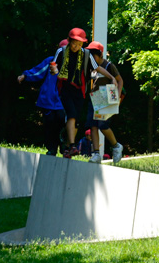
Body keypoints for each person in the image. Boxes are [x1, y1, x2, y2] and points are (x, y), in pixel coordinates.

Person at [49, 27, 117, 159]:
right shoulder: (62, 51)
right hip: (69, 89)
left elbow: (100, 69)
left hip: (86, 92)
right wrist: (53, 70)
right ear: (69, 41)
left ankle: (68, 147)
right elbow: (54, 68)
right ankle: (74, 146)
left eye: (80, 44)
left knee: (80, 121)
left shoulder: (92, 57)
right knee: (74, 117)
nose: (76, 46)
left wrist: (112, 79)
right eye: (74, 43)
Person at [17, 39, 68, 156]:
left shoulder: (73, 64)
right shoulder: (51, 61)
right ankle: (52, 149)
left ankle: (64, 146)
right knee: (49, 124)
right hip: (48, 100)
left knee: (62, 122)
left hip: (63, 101)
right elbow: (37, 71)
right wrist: (25, 75)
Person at [85, 41, 124, 164]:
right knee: (93, 126)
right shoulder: (92, 67)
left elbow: (120, 81)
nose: (92, 58)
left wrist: (117, 97)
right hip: (94, 98)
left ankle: (116, 146)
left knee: (103, 125)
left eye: (94, 55)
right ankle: (96, 154)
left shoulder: (109, 66)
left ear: (100, 54)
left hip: (106, 97)